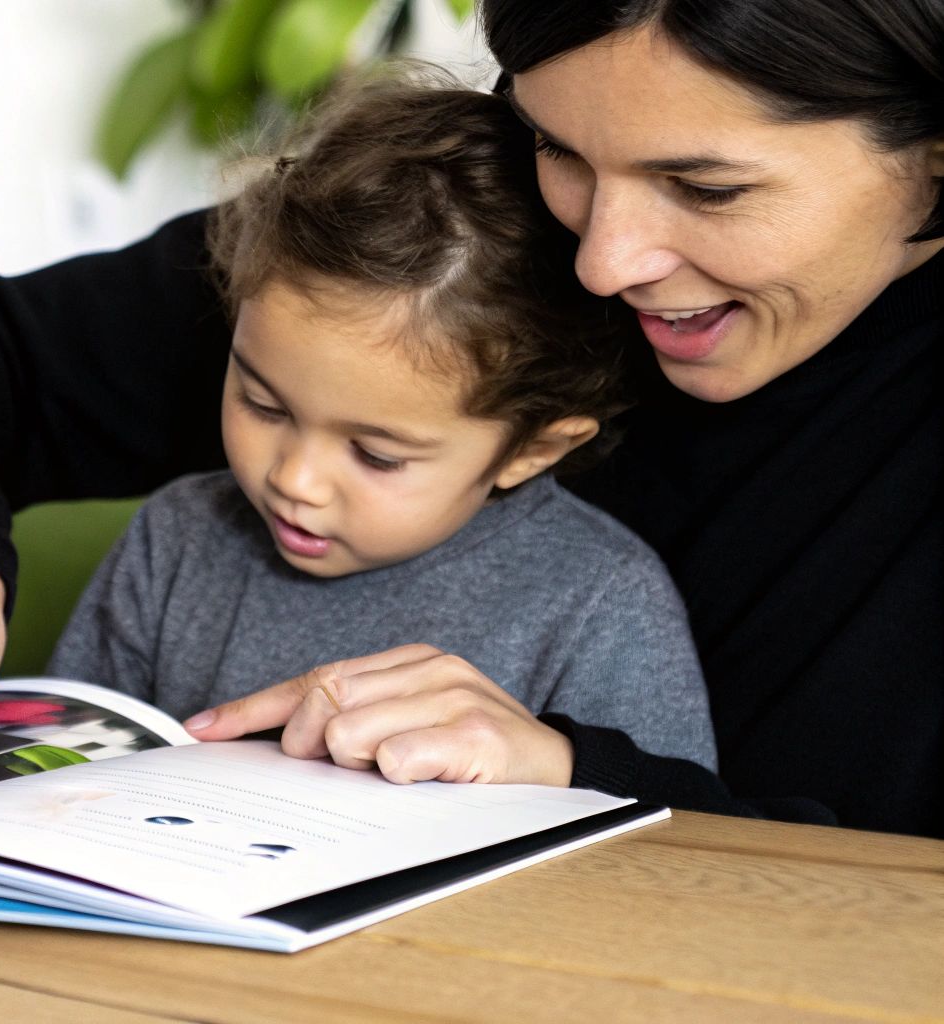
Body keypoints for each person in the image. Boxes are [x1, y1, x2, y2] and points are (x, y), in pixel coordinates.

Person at [0, 0, 944, 838]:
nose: (599, 262)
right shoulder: (463, 241)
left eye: (707, 190)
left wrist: (567, 762)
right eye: (559, 147)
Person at [44, 77, 715, 781]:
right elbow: (55, 776)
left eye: (376, 454)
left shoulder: (600, 603)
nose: (293, 480)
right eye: (263, 404)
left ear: (533, 448)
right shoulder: (175, 542)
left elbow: (666, 857)